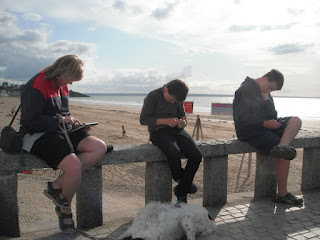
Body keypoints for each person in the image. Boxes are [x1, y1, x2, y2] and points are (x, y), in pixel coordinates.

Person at [20, 55, 109, 233]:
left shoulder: (62, 85)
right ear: (63, 72)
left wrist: (75, 124)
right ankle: (64, 210)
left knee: (99, 147)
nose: (72, 84)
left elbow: (64, 113)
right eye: (71, 79)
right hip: (36, 134)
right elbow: (33, 120)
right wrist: (62, 120)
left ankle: (56, 186)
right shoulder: (37, 84)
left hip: (60, 130)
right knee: (74, 165)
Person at [232, 69, 303, 206]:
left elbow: (272, 115)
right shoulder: (245, 89)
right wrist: (264, 123)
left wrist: (266, 100)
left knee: (296, 121)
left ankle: (282, 147)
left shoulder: (265, 92)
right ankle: (282, 194)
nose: (270, 91)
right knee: (283, 154)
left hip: (266, 126)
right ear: (266, 78)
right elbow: (241, 118)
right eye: (270, 88)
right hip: (250, 131)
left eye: (272, 91)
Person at [140, 79, 202, 203]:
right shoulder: (153, 96)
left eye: (176, 101)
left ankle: (181, 189)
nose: (173, 102)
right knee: (174, 152)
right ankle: (183, 184)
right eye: (172, 99)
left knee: (196, 155)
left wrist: (182, 123)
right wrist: (166, 121)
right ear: (166, 89)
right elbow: (143, 119)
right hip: (158, 131)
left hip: (176, 130)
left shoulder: (177, 99)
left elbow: (182, 117)